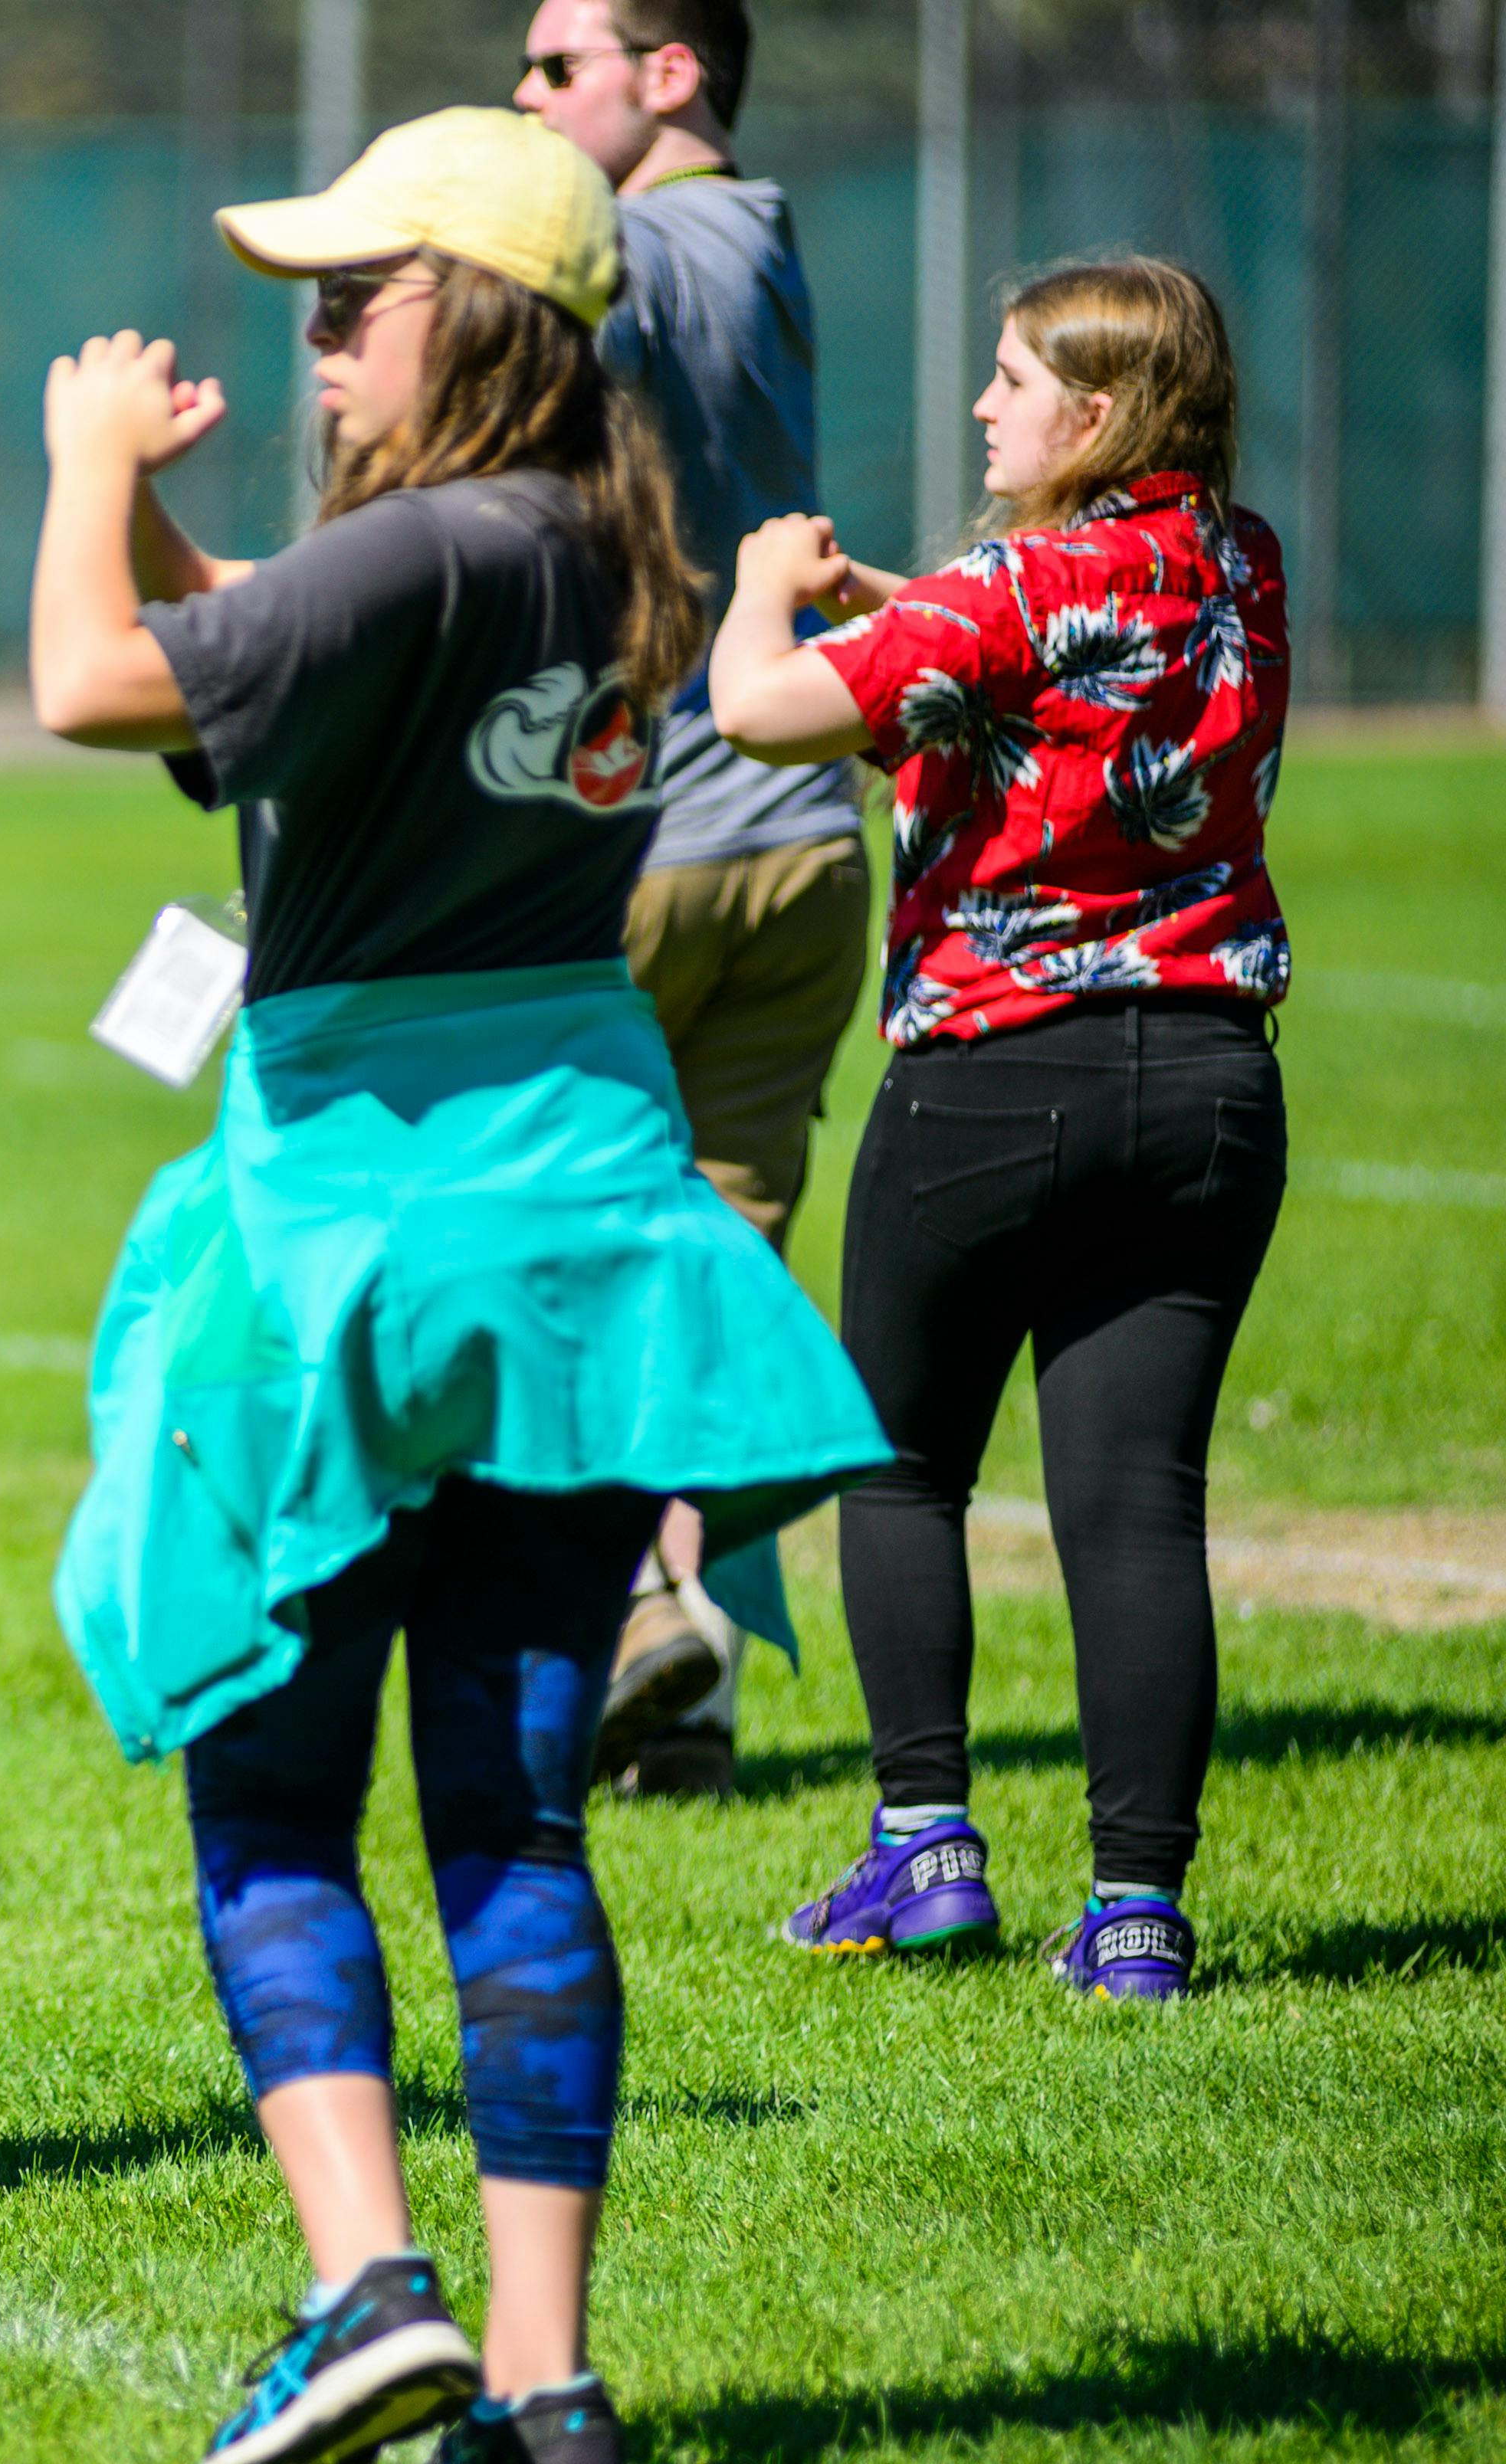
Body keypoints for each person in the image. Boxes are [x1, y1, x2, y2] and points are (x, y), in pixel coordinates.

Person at [29, 110, 886, 2464]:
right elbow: (275, 666)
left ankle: (361, 2285)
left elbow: (99, 682)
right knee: (516, 1829)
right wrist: (202, 540)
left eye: (351, 300)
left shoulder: (416, 544)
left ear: (478, 318)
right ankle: (548, 2384)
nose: (313, 346)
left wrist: (86, 464)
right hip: (585, 1237)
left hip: (362, 1245)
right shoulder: (608, 552)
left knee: (275, 1805)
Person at [710, 257, 1286, 2004]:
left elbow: (759, 709)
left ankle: (920, 1847)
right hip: (1206, 1082)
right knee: (1133, 1508)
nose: (983, 406)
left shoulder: (1008, 581)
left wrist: (761, 592)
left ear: (1093, 414)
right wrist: (903, 598)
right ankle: (1135, 1919)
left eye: (1011, 377)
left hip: (987, 1079)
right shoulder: (1240, 562)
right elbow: (1050, 668)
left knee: (897, 1461)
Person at [516, 0, 871, 1797]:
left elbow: (554, 323)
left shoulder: (628, 244)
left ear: (671, 76)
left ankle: (617, 1631)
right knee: (722, 1260)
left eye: (553, 67)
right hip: (806, 833)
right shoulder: (771, 231)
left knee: (564, 1256)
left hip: (639, 829)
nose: (522, 98)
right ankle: (697, 1679)